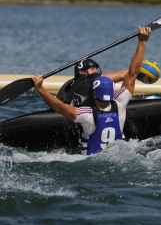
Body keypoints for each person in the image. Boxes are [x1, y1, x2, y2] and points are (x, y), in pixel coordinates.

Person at [32, 26, 151, 155]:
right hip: (119, 156)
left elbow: (60, 108)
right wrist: (142, 42)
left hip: (90, 161)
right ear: (112, 92)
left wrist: (40, 89)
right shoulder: (121, 103)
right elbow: (132, 73)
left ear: (94, 93)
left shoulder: (87, 115)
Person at [56, 57, 128, 106]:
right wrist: (137, 70)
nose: (96, 72)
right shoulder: (88, 79)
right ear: (81, 72)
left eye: (96, 69)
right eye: (92, 69)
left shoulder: (74, 84)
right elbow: (121, 75)